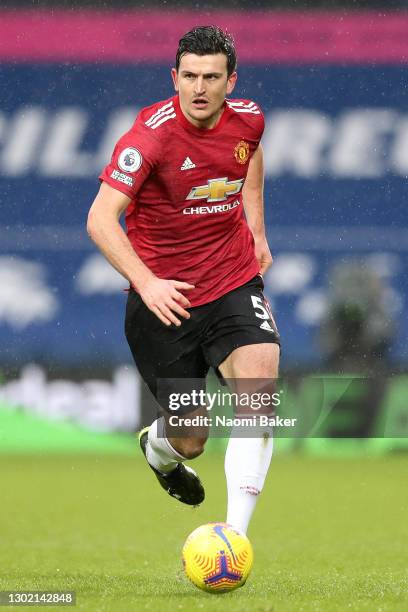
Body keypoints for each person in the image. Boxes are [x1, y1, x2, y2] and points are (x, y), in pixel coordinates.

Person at [87, 25, 280, 535]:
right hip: (165, 302)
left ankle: (234, 539)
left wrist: (256, 230)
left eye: (211, 77)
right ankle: (159, 450)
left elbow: (250, 152)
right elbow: (100, 220)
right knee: (192, 437)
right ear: (174, 77)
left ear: (230, 81)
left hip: (233, 279)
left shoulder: (250, 120)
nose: (199, 88)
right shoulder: (149, 136)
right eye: (189, 76)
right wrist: (147, 282)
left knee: (259, 396)